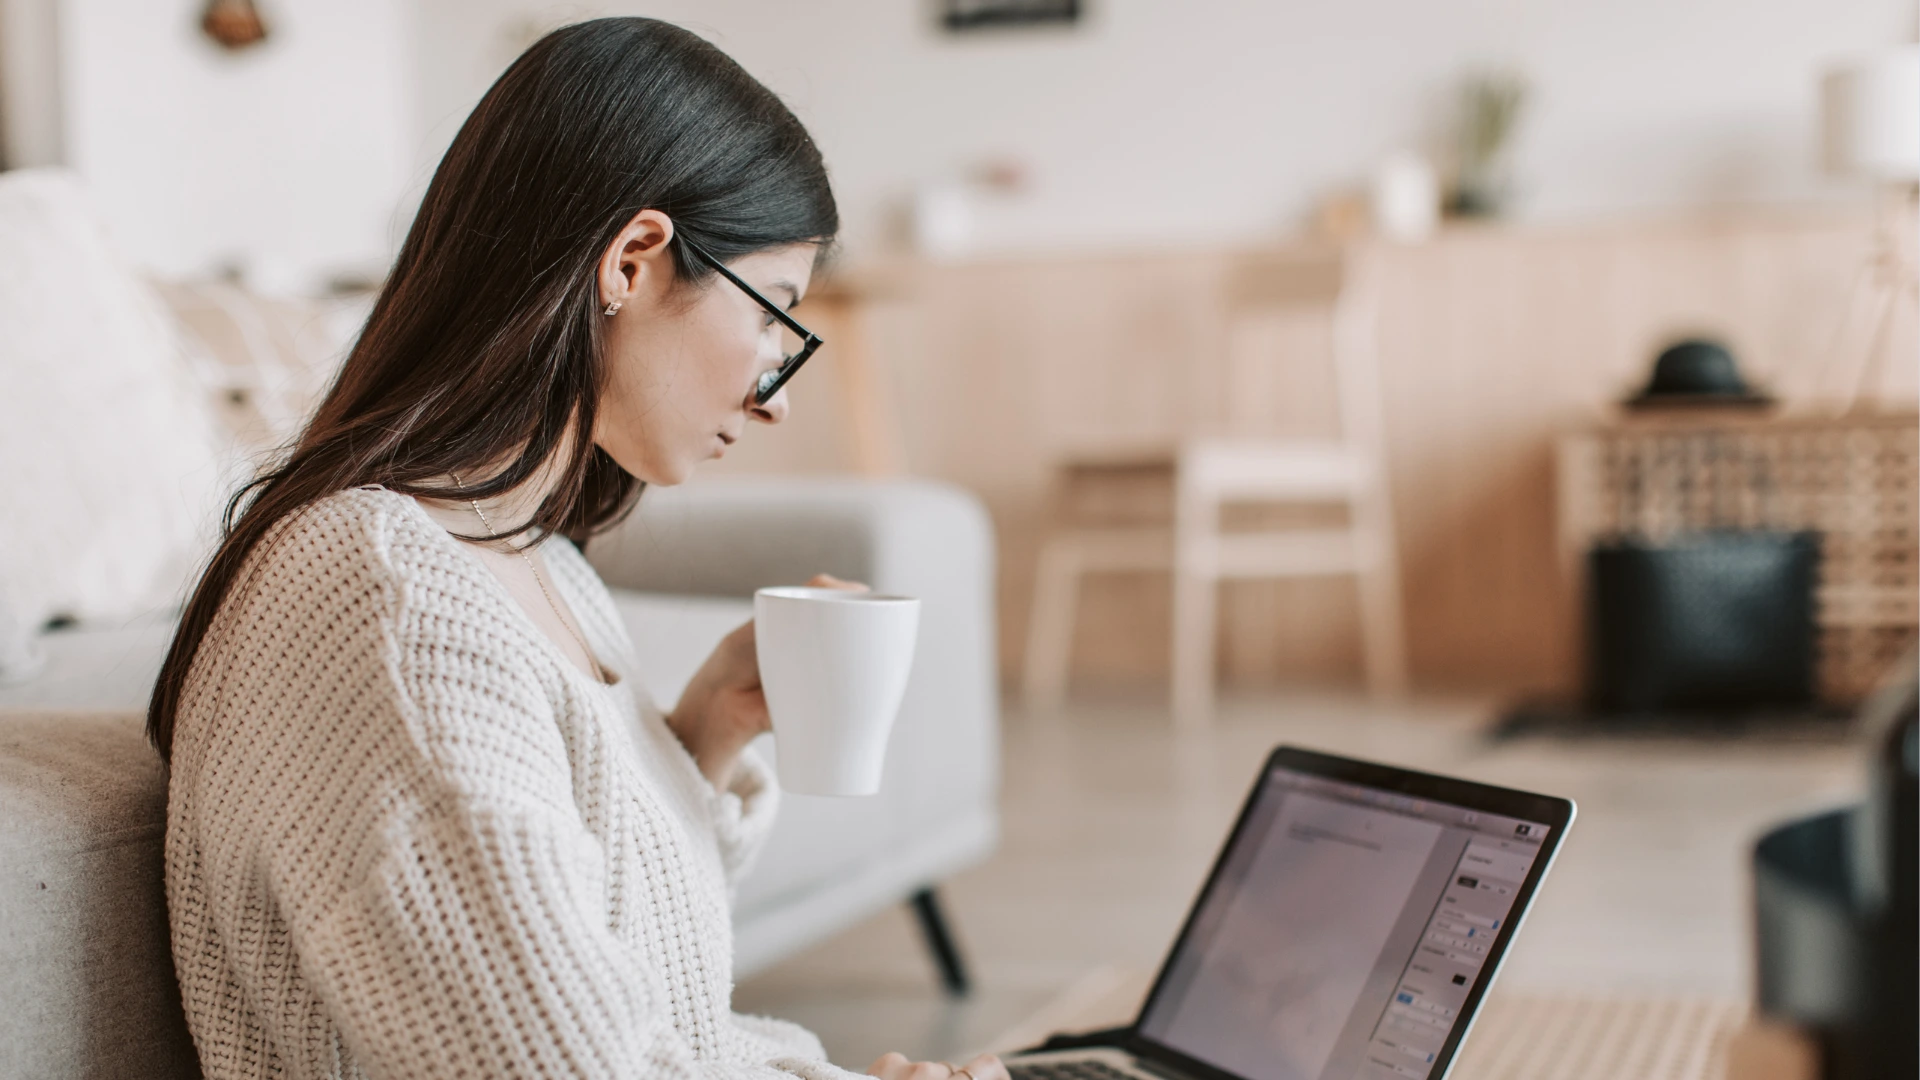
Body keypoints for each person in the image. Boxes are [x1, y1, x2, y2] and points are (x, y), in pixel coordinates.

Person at [147, 18, 1008, 1080]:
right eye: (774, 320)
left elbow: (631, 1001)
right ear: (635, 261)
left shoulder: (535, 562)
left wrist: (702, 736)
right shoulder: (390, 605)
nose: (773, 396)